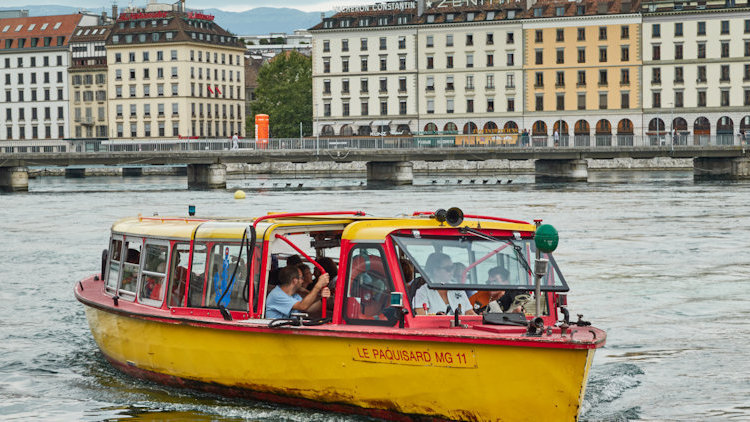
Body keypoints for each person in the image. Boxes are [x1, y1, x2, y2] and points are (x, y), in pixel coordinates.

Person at [265, 265, 330, 319]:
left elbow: (309, 309)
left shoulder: (294, 296)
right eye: (301, 278)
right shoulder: (277, 295)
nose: (302, 281)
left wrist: (323, 299)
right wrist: (318, 286)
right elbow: (302, 306)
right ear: (295, 281)